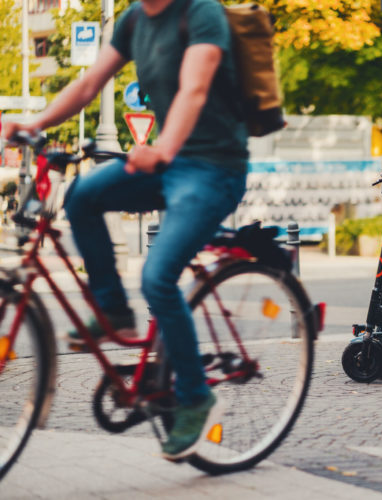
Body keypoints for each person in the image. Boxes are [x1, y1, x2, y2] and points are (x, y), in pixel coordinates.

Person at [1, 0, 248, 461]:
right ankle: (113, 311)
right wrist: (33, 124)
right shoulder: (134, 18)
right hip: (166, 164)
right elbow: (89, 84)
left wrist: (164, 148)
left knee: (157, 276)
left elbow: (194, 90)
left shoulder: (201, 13)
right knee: (82, 196)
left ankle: (195, 396)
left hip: (213, 168)